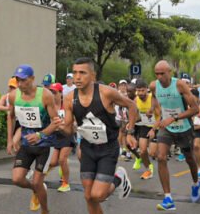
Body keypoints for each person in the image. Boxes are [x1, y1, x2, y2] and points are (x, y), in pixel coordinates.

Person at [61, 57, 138, 214]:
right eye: (75, 73)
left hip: (107, 148)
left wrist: (130, 132)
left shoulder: (106, 93)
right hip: (87, 148)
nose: (77, 77)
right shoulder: (69, 98)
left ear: (93, 75)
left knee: (98, 195)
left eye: (82, 73)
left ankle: (119, 178)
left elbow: (132, 106)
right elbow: (68, 130)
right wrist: (59, 127)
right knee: (89, 197)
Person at [7, 65, 60, 214]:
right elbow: (10, 117)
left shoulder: (45, 95)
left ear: (32, 79)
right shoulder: (13, 96)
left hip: (45, 144)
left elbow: (56, 122)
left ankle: (45, 211)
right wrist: (10, 140)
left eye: (23, 80)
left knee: (37, 181)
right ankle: (37, 189)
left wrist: (39, 135)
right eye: (17, 80)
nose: (20, 84)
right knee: (17, 179)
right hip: (26, 143)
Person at [150, 60, 200, 210]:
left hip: (184, 127)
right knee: (161, 157)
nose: (159, 77)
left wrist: (174, 118)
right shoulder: (154, 86)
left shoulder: (179, 85)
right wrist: (155, 111)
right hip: (166, 128)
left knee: (190, 159)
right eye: (156, 74)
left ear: (170, 72)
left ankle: (196, 183)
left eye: (162, 73)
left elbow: (195, 109)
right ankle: (168, 199)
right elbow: (154, 97)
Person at [48, 82, 75, 193]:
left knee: (62, 159)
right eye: (51, 92)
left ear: (61, 93)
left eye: (54, 92)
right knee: (53, 162)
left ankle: (66, 183)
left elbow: (73, 120)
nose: (52, 95)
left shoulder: (67, 105)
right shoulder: (49, 106)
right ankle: (62, 166)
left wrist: (66, 124)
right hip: (56, 136)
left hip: (67, 135)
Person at [132, 79, 156, 180]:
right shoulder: (136, 100)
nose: (140, 93)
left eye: (142, 90)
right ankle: (149, 169)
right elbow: (136, 116)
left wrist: (153, 129)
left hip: (157, 126)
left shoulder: (152, 98)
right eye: (138, 90)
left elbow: (161, 115)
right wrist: (130, 123)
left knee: (152, 153)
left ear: (147, 89)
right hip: (145, 126)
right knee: (142, 151)